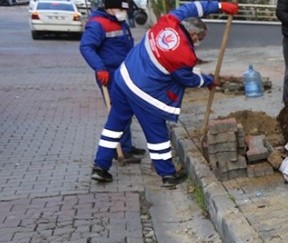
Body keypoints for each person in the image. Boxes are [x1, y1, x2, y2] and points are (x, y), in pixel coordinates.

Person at [89, 0, 240, 188]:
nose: (199, 41)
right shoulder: (185, 55)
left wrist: (218, 6)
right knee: (157, 134)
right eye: (200, 37)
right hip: (145, 93)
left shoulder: (167, 21)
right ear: (193, 34)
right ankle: (168, 175)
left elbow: (193, 8)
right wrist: (208, 81)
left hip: (123, 79)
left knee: (113, 127)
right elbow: (187, 79)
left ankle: (100, 167)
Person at [80, 0, 143, 164]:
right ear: (110, 8)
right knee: (118, 112)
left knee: (126, 110)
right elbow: (86, 47)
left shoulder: (119, 22)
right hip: (109, 74)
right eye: (121, 9)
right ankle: (118, 151)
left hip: (123, 72)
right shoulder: (98, 24)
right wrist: (99, 68)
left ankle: (126, 146)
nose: (124, 12)